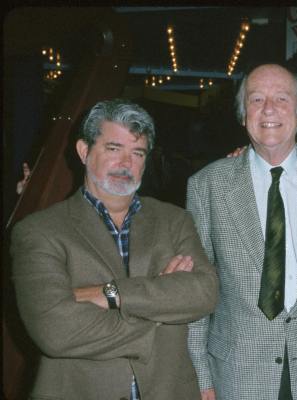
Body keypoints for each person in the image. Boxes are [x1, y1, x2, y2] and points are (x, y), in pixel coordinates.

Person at [10, 99, 219, 400]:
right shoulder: (39, 231)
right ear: (84, 151)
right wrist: (159, 310)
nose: (126, 163)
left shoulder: (175, 220)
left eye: (137, 153)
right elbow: (55, 331)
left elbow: (205, 292)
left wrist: (111, 294)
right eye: (113, 149)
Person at [187, 64, 297, 400]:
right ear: (242, 115)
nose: (268, 109)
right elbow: (197, 293)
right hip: (237, 374)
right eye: (256, 99)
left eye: (282, 98)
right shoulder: (207, 186)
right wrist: (200, 375)